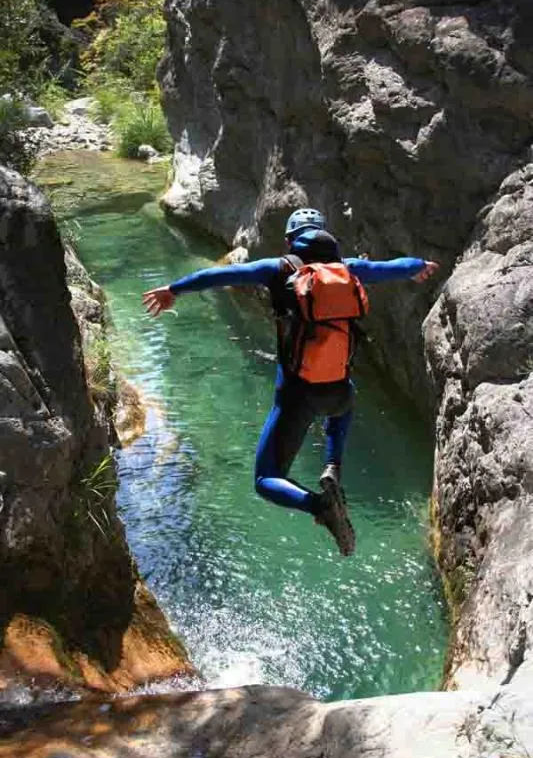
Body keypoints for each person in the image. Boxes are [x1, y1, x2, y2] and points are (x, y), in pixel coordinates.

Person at [142, 208, 439, 557]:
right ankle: (333, 467)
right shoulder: (348, 270)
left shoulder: (277, 269)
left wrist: (174, 289)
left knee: (265, 479)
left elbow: (218, 276)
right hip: (339, 393)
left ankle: (319, 506)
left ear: (289, 240)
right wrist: (420, 265)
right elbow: (392, 268)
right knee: (345, 400)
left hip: (297, 397)